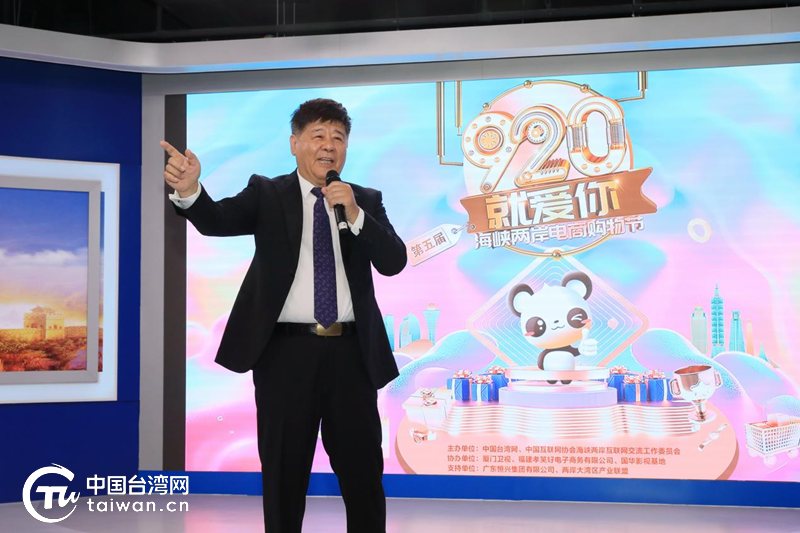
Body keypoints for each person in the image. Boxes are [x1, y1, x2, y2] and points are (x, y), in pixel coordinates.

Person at [160, 98, 406, 533]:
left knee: (363, 476)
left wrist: (355, 214)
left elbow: (393, 261)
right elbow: (217, 219)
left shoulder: (364, 200)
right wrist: (191, 191)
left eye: (338, 138)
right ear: (295, 144)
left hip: (352, 356)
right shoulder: (268, 193)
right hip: (285, 356)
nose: (328, 145)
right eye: (318, 136)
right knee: (283, 475)